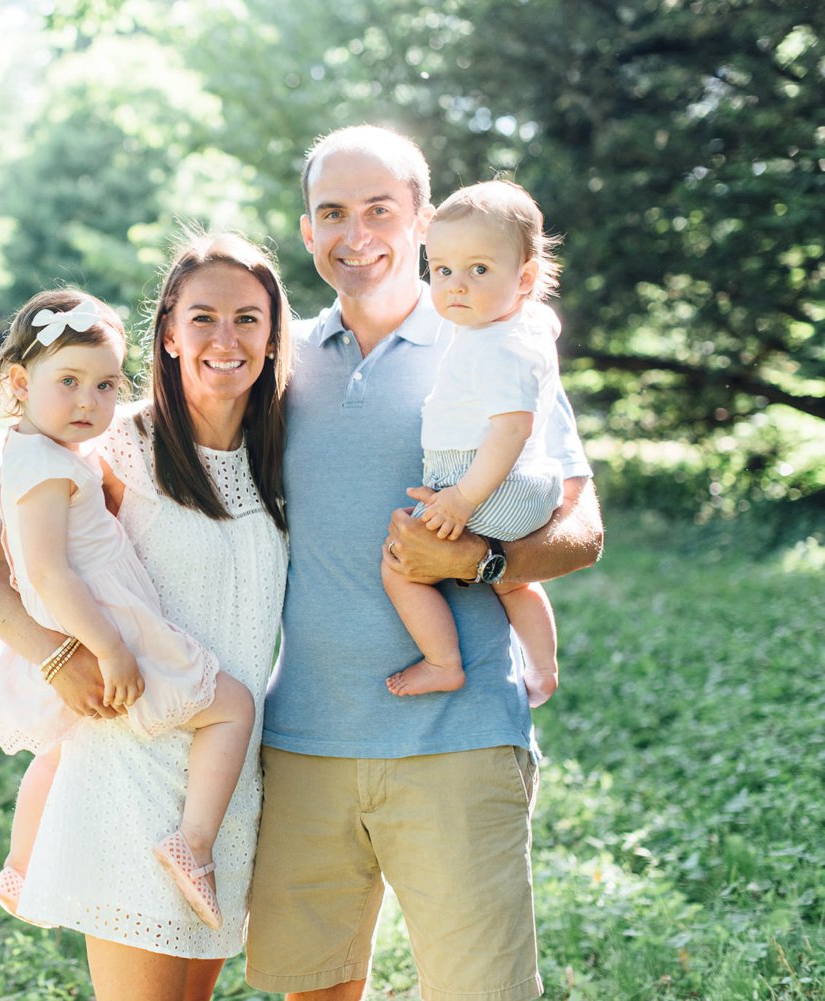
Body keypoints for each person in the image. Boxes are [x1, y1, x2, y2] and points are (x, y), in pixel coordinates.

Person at [244, 126, 603, 1001]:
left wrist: (481, 561)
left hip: (459, 737)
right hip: (304, 742)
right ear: (306, 231)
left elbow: (583, 526)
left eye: (379, 210)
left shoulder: (491, 342)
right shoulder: (276, 366)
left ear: (423, 220)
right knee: (315, 989)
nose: (355, 232)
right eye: (333, 212)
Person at [0, 232, 292, 1001]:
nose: (224, 337)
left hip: (225, 776)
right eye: (202, 316)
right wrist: (58, 657)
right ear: (168, 332)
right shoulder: (109, 442)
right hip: (127, 758)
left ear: (274, 335)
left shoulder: (283, 450)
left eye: (248, 317)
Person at [381, 180, 567, 704]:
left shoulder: (498, 345)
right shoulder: (527, 324)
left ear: (525, 276)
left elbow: (512, 428)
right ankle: (545, 668)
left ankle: (444, 663)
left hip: (488, 484)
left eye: (478, 269)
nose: (456, 286)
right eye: (442, 270)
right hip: (526, 486)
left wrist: (462, 498)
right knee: (515, 585)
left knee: (400, 565)